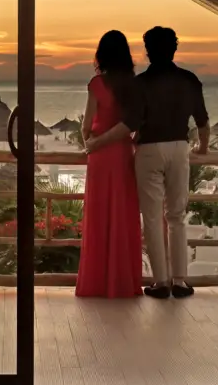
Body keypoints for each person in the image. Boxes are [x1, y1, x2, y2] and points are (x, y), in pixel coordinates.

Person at [86, 26, 210, 299]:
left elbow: (129, 124)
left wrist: (97, 142)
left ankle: (161, 282)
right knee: (177, 216)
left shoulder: (140, 84)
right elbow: (202, 120)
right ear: (174, 49)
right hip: (179, 147)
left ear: (148, 51)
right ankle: (180, 281)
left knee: (153, 218)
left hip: (149, 149)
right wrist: (202, 148)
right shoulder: (190, 80)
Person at [75, 30, 144, 298]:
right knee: (122, 214)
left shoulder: (96, 84)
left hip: (100, 157)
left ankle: (96, 282)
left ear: (101, 55)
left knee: (99, 215)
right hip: (122, 154)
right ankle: (121, 283)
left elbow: (85, 126)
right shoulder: (133, 84)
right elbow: (133, 123)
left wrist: (91, 141)